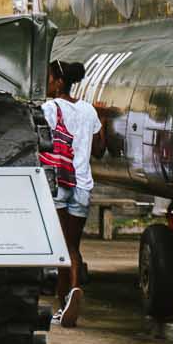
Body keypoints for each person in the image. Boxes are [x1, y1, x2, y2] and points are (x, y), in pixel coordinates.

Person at [40, 58, 103, 327]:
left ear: (60, 82)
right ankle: (69, 297)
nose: (48, 82)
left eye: (51, 78)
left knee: (60, 247)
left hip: (58, 182)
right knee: (72, 245)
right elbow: (100, 148)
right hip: (82, 184)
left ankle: (68, 296)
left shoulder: (49, 108)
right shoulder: (89, 111)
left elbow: (38, 140)